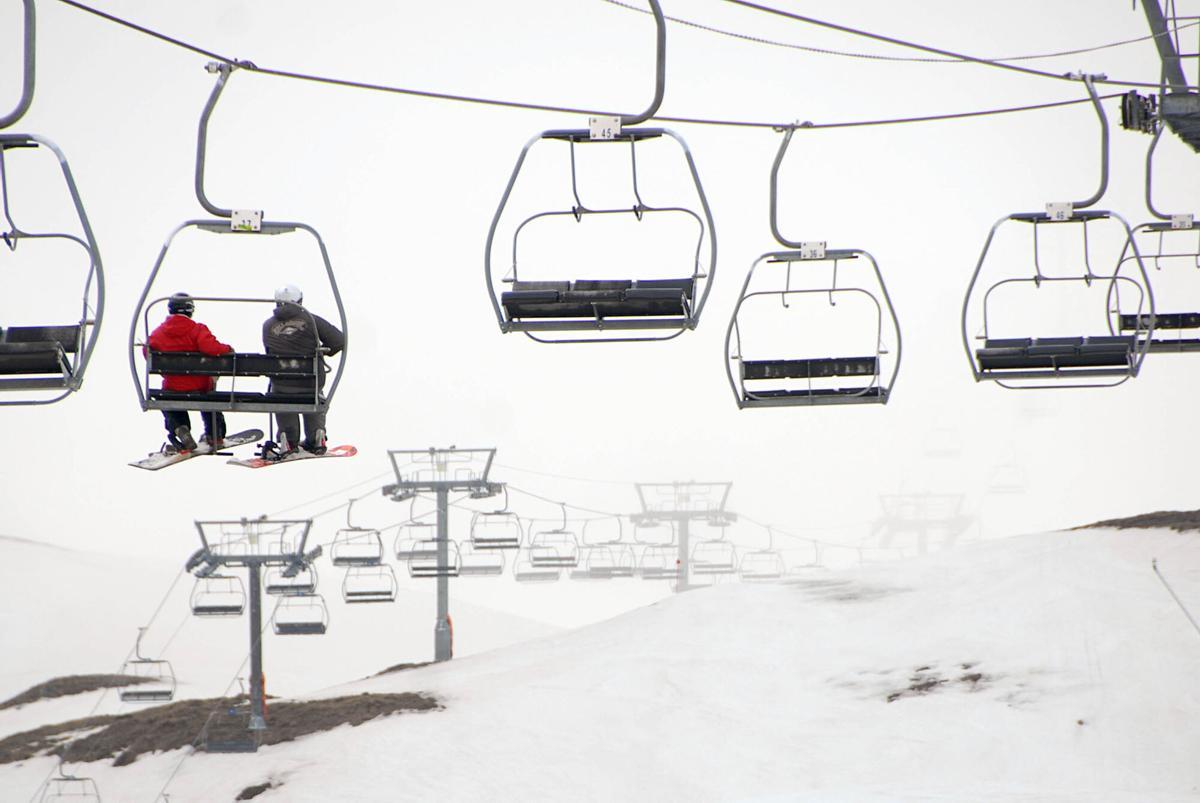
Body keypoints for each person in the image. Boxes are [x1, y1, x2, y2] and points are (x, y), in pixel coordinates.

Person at [262, 284, 345, 458]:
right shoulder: (311, 321)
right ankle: (316, 436)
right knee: (314, 396)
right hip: (310, 382)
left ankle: (288, 439)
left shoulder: (268, 325)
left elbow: (269, 351)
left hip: (281, 383)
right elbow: (339, 341)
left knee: (282, 397)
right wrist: (323, 351)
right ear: (300, 300)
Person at [146, 292, 233, 451]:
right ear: (190, 310)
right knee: (210, 397)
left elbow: (148, 352)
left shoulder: (158, 333)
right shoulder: (197, 329)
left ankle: (181, 428)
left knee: (168, 400)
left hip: (173, 385)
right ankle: (215, 435)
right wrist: (227, 348)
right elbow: (211, 348)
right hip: (199, 385)